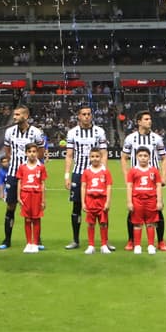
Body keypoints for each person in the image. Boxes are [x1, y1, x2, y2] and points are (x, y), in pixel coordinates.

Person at [0, 104, 46, 251]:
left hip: (31, 175)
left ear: (26, 116)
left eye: (18, 114)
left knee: (35, 209)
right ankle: (7, 239)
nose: (14, 117)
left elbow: (41, 153)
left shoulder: (36, 132)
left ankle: (37, 240)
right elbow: (7, 152)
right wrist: (16, 163)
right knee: (10, 206)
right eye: (14, 114)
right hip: (13, 174)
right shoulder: (9, 132)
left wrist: (31, 166)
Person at [63, 105, 107, 251]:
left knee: (102, 207)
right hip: (79, 173)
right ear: (79, 116)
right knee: (77, 206)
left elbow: (103, 153)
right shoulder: (72, 132)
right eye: (84, 114)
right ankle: (75, 240)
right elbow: (69, 155)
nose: (87, 116)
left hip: (96, 174)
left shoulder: (99, 131)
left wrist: (104, 172)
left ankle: (104, 242)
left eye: (89, 114)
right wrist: (67, 175)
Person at [120, 110, 166, 251]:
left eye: (150, 118)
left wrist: (163, 176)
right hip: (136, 179)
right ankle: (131, 241)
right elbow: (124, 157)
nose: (149, 121)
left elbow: (164, 158)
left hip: (153, 179)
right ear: (139, 122)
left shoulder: (157, 138)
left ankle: (160, 241)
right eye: (146, 119)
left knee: (158, 210)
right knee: (133, 211)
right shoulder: (130, 138)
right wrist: (126, 176)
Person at [126, 147, 164, 254]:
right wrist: (129, 202)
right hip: (137, 200)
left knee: (151, 223)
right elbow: (129, 186)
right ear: (136, 157)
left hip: (151, 200)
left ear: (149, 157)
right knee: (137, 224)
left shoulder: (154, 170)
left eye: (145, 156)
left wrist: (159, 201)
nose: (143, 158)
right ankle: (137, 245)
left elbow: (158, 186)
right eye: (140, 156)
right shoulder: (133, 171)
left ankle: (151, 245)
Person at [80, 147, 112, 254]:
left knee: (103, 223)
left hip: (102, 200)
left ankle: (104, 245)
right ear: (89, 158)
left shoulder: (105, 172)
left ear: (101, 158)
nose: (95, 158)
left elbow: (109, 187)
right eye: (92, 156)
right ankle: (91, 245)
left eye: (97, 156)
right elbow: (83, 187)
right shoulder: (86, 172)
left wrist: (108, 202)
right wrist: (83, 202)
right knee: (90, 223)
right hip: (90, 200)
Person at [17, 142, 47, 253]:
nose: (32, 154)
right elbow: (19, 182)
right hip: (25, 195)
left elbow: (43, 184)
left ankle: (35, 244)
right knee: (27, 219)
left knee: (36, 219)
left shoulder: (41, 167)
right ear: (26, 153)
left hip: (36, 196)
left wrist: (43, 200)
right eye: (29, 152)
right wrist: (18, 196)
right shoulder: (22, 167)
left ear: (37, 153)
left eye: (34, 151)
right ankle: (28, 243)